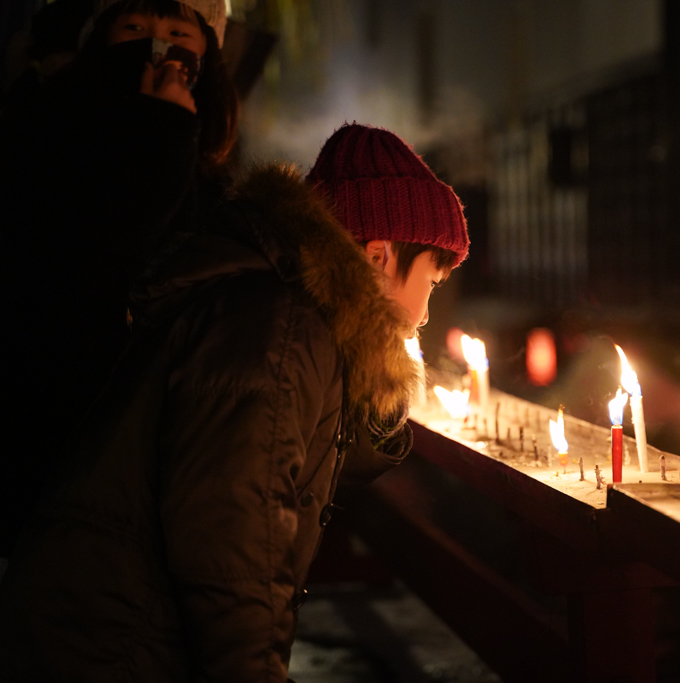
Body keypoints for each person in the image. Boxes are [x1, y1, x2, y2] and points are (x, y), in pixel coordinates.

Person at [0, 123, 469, 681]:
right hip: (109, 643)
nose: (424, 313)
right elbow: (234, 546)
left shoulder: (289, 312)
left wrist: (382, 386)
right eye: (431, 285)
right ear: (378, 257)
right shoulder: (280, 327)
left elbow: (298, 462)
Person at [0, 0, 238, 556]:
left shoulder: (208, 165)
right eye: (134, 28)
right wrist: (158, 130)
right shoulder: (46, 134)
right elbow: (96, 268)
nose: (157, 44)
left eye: (178, 31)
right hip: (60, 433)